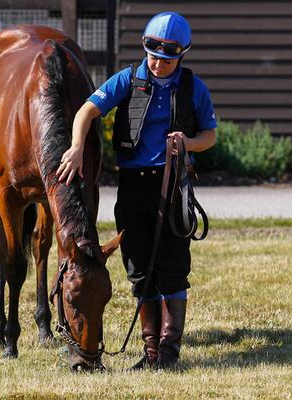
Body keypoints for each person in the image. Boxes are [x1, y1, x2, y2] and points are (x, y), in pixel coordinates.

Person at [56, 11, 217, 369]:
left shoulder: (193, 88)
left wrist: (188, 143)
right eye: (153, 56)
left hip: (172, 184)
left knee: (173, 265)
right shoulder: (129, 80)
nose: (158, 64)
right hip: (133, 186)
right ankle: (151, 353)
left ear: (181, 55)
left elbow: (210, 135)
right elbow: (86, 111)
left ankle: (170, 354)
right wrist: (78, 146)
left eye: (167, 59)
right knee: (139, 267)